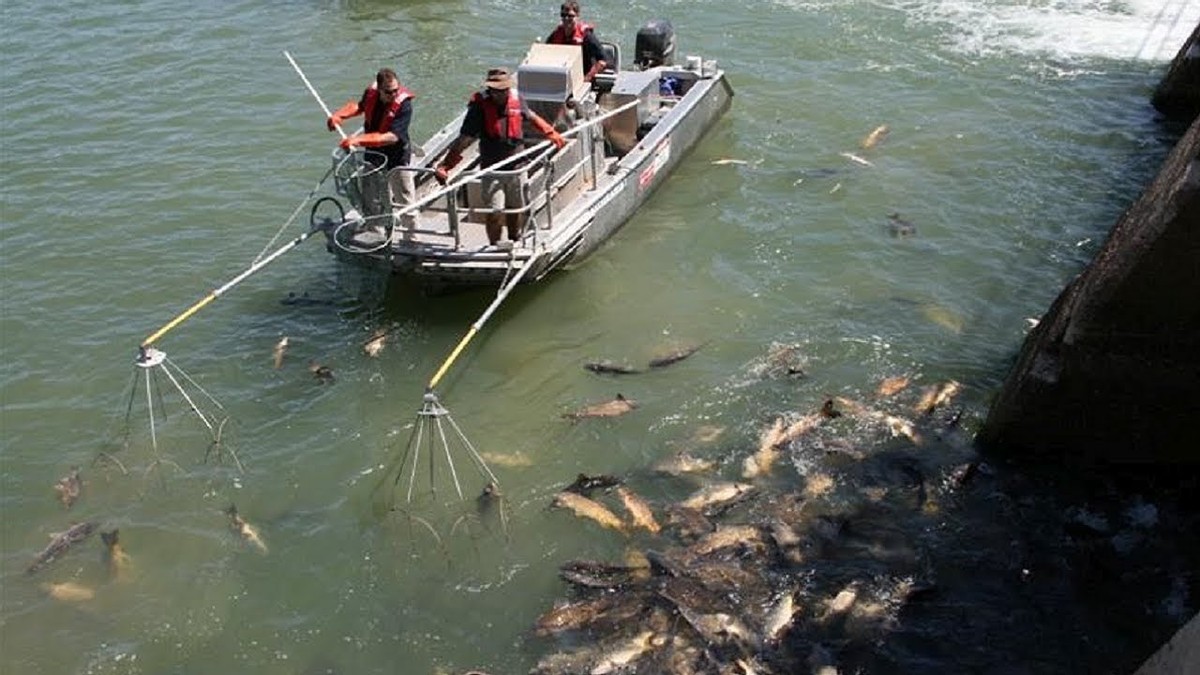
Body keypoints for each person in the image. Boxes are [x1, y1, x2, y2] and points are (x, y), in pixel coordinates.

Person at [434, 68, 566, 249]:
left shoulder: (516, 99)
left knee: (516, 207)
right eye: (496, 90)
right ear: (490, 89)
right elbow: (464, 139)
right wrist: (446, 165)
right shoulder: (479, 108)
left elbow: (531, 117)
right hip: (492, 167)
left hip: (517, 166)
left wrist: (551, 134)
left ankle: (515, 239)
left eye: (503, 90)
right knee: (495, 209)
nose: (500, 94)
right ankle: (495, 244)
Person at [326, 68, 416, 234]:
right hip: (374, 156)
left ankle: (411, 235)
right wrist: (339, 115)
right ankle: (374, 230)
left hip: (397, 157)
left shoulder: (404, 105)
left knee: (405, 198)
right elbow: (359, 107)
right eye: (389, 92)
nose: (393, 94)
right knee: (370, 197)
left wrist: (358, 140)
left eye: (396, 90)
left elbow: (391, 137)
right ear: (379, 89)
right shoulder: (371, 94)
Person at [546, 1, 607, 83]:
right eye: (563, 15)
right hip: (561, 77)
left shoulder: (587, 36)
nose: (566, 19)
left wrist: (587, 78)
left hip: (582, 78)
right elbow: (545, 52)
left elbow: (603, 61)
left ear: (577, 16)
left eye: (570, 16)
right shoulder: (556, 33)